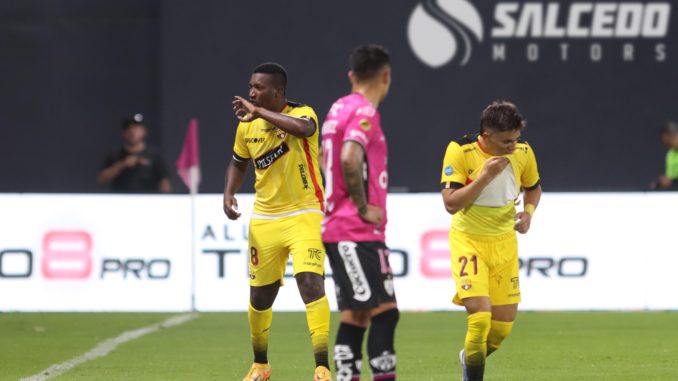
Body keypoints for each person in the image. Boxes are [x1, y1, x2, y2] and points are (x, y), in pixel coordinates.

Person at [223, 62, 332, 381]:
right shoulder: (246, 125)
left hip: (306, 212)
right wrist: (229, 192)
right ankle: (260, 365)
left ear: (278, 91)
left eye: (258, 87)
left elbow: (303, 130)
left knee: (310, 282)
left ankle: (322, 367)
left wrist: (258, 113)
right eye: (250, 87)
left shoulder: (304, 112)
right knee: (260, 295)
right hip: (265, 218)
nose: (251, 92)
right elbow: (238, 162)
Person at [440, 101, 541, 381]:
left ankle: (469, 359)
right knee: (480, 318)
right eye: (506, 141)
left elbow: (533, 189)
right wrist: (484, 177)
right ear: (486, 135)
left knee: (500, 331)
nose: (513, 146)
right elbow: (450, 204)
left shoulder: (524, 152)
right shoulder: (460, 150)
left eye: (516, 139)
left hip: (505, 243)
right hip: (469, 241)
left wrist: (528, 213)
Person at [320, 44, 398, 381]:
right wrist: (363, 205)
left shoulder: (338, 107)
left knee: (357, 315)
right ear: (386, 75)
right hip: (355, 229)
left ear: (352, 75)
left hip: (340, 227)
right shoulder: (365, 112)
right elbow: (350, 157)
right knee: (384, 314)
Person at [97, 114, 172, 193]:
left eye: (136, 128)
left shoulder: (154, 155)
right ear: (123, 132)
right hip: (120, 201)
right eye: (128, 128)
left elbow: (165, 182)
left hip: (147, 201)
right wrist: (122, 164)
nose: (132, 132)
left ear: (144, 131)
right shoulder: (115, 155)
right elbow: (101, 180)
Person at [651, 121, 678, 190]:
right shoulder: (670, 155)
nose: (669, 146)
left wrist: (672, 182)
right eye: (666, 143)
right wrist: (660, 184)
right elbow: (671, 179)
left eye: (669, 141)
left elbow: (672, 181)